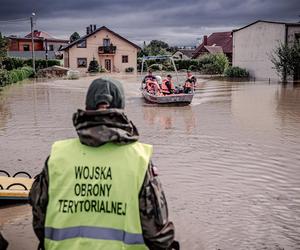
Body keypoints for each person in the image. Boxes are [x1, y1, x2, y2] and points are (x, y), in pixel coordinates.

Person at [29, 77, 177, 250]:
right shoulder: (139, 160)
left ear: (87, 106)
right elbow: (157, 235)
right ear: (122, 108)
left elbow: (39, 218)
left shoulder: (57, 156)